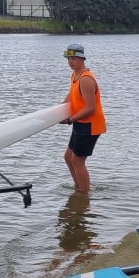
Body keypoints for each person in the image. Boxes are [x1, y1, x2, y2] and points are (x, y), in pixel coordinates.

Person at [61, 43, 106, 193]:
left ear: (82, 58)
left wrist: (69, 119)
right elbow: (71, 95)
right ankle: (79, 187)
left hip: (90, 125)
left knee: (77, 160)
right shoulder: (75, 75)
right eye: (68, 59)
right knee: (68, 157)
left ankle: (83, 194)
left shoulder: (86, 79)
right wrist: (60, 110)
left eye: (73, 58)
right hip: (80, 122)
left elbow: (90, 108)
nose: (70, 62)